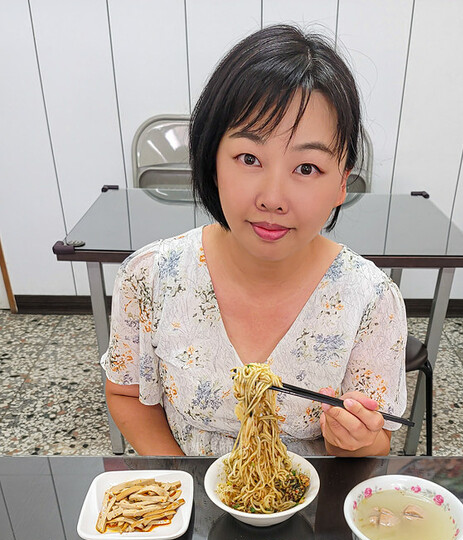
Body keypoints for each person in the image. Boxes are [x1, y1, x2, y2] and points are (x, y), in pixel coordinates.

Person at [102, 24, 407, 457]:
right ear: (212, 160)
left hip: (310, 497)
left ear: (342, 183)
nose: (273, 198)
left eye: (307, 168)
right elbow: (127, 394)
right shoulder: (148, 277)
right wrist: (188, 480)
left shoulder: (371, 300)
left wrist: (354, 439)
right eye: (249, 158)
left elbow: (375, 442)